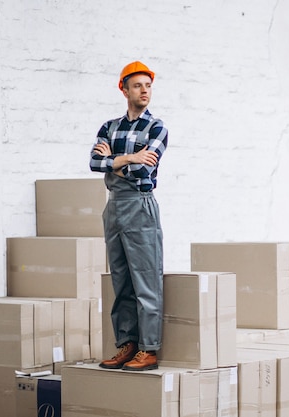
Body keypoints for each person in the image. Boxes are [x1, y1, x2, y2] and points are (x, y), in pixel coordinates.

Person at [90, 61, 168, 371]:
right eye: (137, 85)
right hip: (115, 207)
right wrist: (129, 157)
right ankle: (127, 344)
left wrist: (116, 160)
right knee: (121, 281)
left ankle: (148, 349)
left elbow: (141, 169)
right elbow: (94, 164)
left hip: (139, 204)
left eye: (148, 85)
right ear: (124, 89)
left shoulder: (156, 127)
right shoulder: (108, 126)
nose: (145, 90)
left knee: (145, 279)